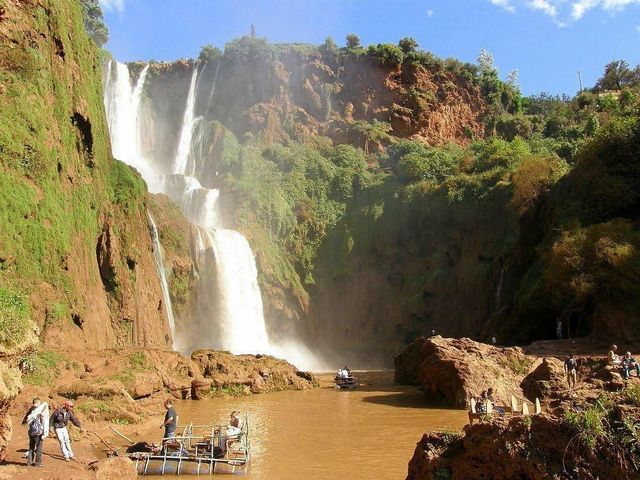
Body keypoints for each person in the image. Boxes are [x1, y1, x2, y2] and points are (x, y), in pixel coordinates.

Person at [22, 398, 47, 467]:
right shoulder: (39, 410)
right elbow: (43, 420)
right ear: (38, 402)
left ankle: (29, 462)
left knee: (31, 447)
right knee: (39, 447)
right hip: (38, 432)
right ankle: (38, 463)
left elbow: (25, 420)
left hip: (30, 431)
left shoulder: (30, 410)